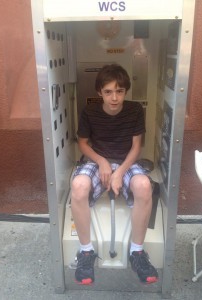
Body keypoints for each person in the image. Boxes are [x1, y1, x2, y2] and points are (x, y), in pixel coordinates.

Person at [71, 64, 158, 285]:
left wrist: (119, 172)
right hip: (97, 160)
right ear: (99, 92)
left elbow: (137, 146)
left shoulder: (135, 110)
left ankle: (137, 252)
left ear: (125, 91)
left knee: (144, 186)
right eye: (108, 92)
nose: (114, 98)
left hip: (126, 161)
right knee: (79, 185)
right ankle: (86, 252)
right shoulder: (89, 111)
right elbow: (82, 144)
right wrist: (101, 162)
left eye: (119, 91)